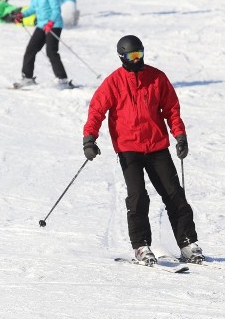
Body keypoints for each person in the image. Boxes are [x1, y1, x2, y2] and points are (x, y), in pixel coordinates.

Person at [81, 35, 204, 265]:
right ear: (122, 57)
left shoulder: (157, 77)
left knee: (174, 194)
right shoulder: (114, 82)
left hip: (157, 146)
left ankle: (187, 243)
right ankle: (141, 246)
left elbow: (172, 109)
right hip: (129, 149)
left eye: (140, 54)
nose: (137, 60)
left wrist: (180, 135)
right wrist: (90, 139)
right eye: (132, 56)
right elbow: (97, 110)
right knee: (138, 197)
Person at [13, 0, 72, 89]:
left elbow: (56, 10)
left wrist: (50, 23)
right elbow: (33, 8)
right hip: (41, 25)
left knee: (51, 52)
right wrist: (22, 15)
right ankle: (28, 78)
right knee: (30, 50)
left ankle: (62, 80)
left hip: (54, 25)